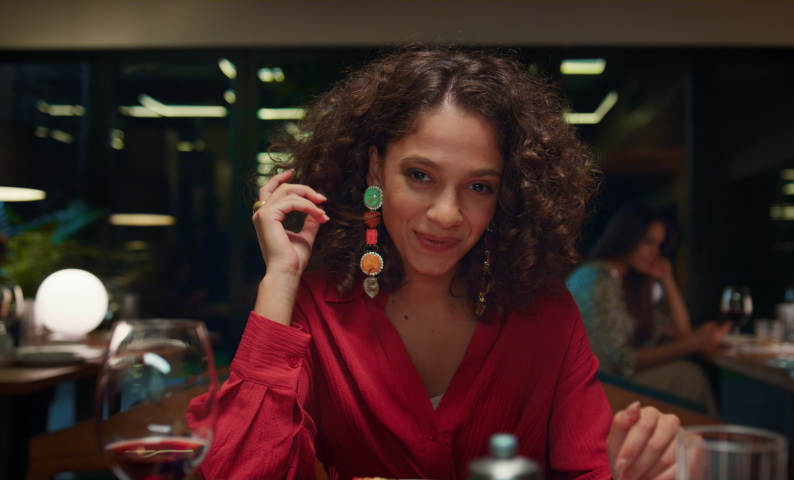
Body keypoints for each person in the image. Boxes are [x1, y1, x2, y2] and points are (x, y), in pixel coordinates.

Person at [189, 47, 686, 480]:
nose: (447, 214)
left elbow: (591, 472)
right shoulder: (315, 309)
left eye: (478, 186)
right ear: (375, 169)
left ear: (504, 195)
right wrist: (281, 279)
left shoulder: (548, 316)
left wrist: (643, 465)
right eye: (421, 175)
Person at [568, 202, 729, 415]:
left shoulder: (627, 281)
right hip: (596, 385)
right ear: (627, 236)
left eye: (660, 246)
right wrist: (691, 344)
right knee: (689, 376)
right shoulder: (595, 278)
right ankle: (707, 443)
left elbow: (681, 332)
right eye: (649, 242)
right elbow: (618, 360)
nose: (655, 253)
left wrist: (667, 279)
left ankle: (697, 442)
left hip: (615, 379)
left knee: (689, 375)